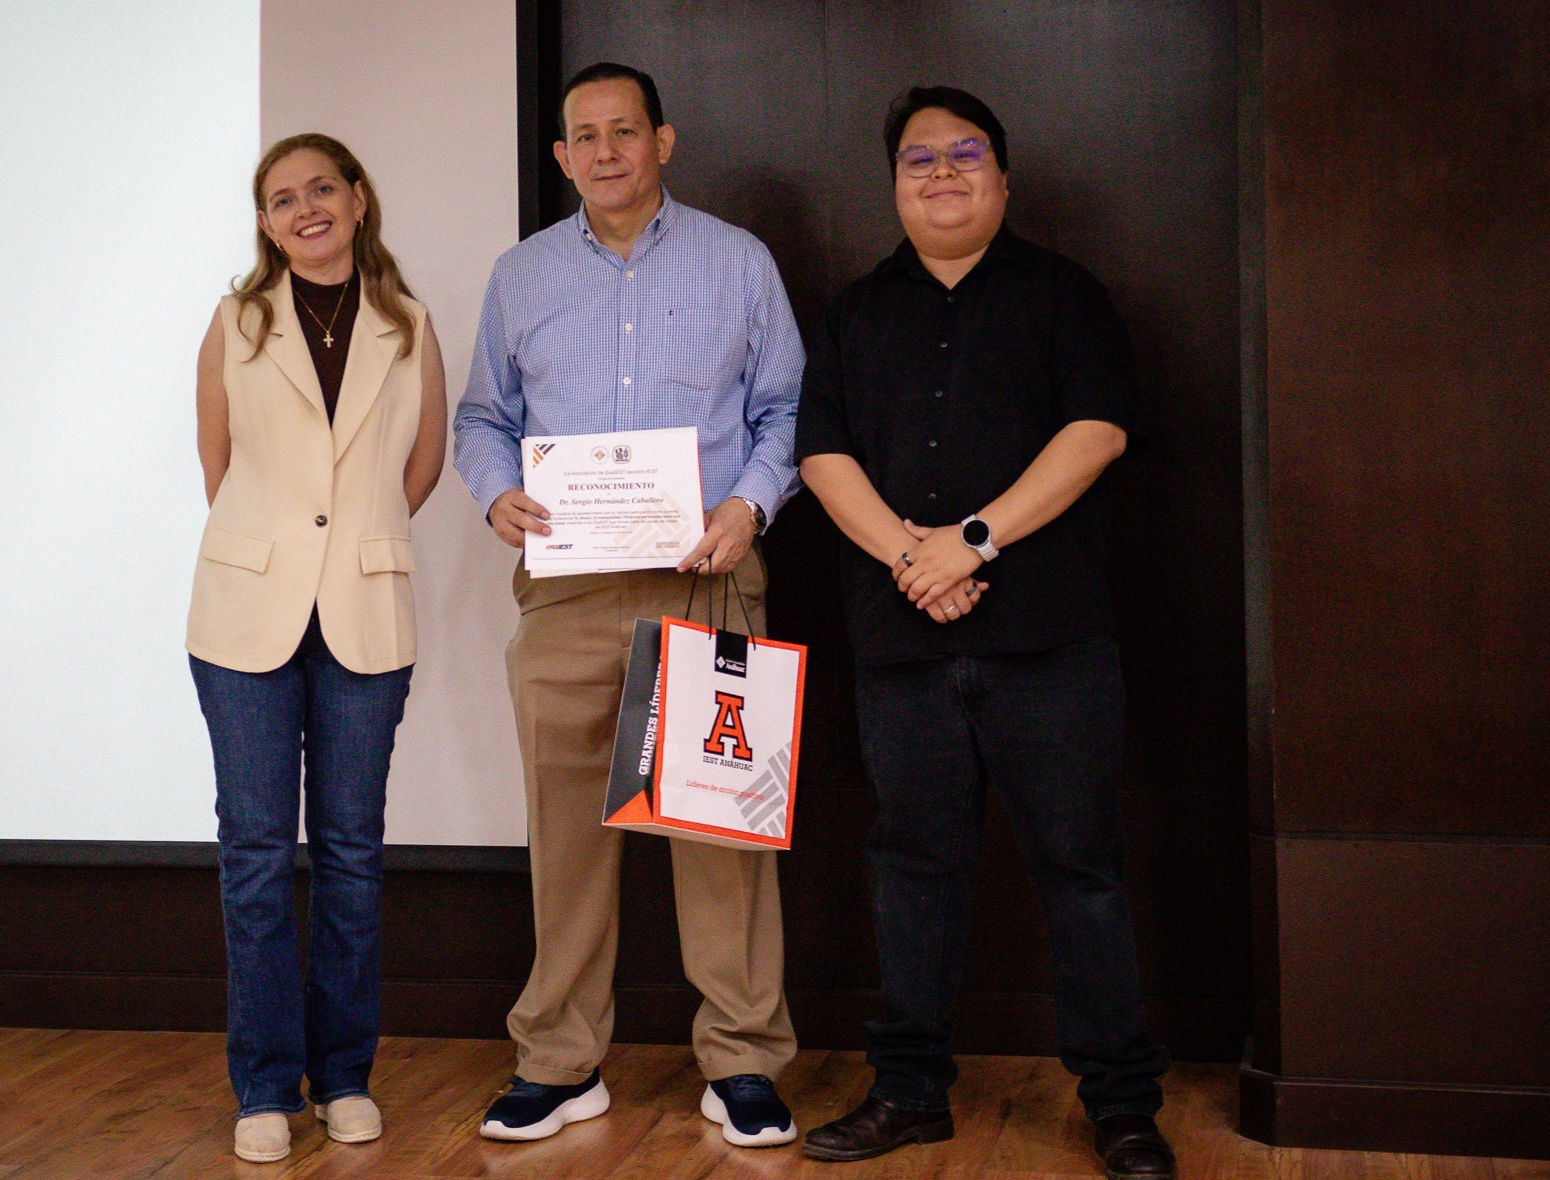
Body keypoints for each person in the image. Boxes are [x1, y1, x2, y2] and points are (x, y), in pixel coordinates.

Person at [794, 87, 1175, 1177]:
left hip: (1050, 644)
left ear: (1003, 179)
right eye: (921, 160)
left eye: (967, 156)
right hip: (903, 646)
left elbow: (1097, 433)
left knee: (1082, 871)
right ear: (895, 185)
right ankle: (911, 1091)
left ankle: (1120, 1104)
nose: (944, 174)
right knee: (912, 869)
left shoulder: (1065, 295)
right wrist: (915, 559)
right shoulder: (857, 311)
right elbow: (823, 456)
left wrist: (969, 540)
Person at [453, 62, 803, 1148]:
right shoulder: (520, 277)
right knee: (565, 838)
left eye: (624, 131)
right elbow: (481, 418)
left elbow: (787, 411)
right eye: (583, 137)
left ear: (664, 140)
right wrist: (495, 488)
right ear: (561, 157)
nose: (604, 152)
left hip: (708, 574)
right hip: (567, 590)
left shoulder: (738, 262)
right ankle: (559, 1063)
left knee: (722, 832)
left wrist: (751, 504)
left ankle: (743, 1061)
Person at [185, 133, 447, 1164]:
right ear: (265, 221)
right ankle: (262, 1084)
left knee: (350, 857)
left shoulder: (409, 323)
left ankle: (344, 1076)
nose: (305, 209)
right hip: (245, 614)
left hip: (365, 614)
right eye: (282, 198)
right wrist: (285, 550)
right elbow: (217, 459)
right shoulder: (235, 320)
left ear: (357, 196)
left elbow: (418, 467)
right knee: (255, 857)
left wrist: (355, 540)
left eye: (321, 189)